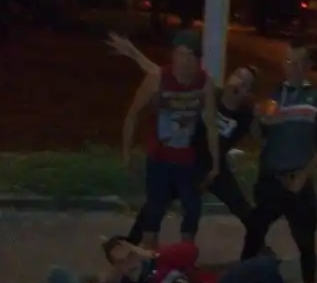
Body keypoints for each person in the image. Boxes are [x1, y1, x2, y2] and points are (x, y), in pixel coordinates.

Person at [108, 34, 259, 238]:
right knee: (156, 205)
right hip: (189, 159)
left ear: (248, 92)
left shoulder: (246, 114)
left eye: (245, 84)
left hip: (212, 164)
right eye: (238, 77)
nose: (238, 84)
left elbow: (258, 135)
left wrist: (263, 119)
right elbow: (162, 74)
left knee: (237, 205)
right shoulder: (211, 92)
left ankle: (260, 246)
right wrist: (133, 53)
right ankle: (132, 243)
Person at [240, 38, 317, 283]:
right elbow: (260, 137)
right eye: (289, 61)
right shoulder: (274, 96)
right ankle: (242, 280)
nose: (292, 68)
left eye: (298, 62)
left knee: (305, 238)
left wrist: (304, 176)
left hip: (298, 181)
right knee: (255, 230)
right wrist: (256, 120)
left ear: (308, 66)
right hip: (271, 178)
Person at [118, 29, 219, 247]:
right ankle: (149, 259)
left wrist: (215, 162)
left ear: (198, 59)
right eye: (180, 54)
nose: (184, 61)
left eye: (190, 55)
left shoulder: (204, 83)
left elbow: (211, 124)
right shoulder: (158, 78)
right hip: (159, 158)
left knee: (193, 209)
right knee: (154, 212)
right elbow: (132, 114)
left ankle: (184, 257)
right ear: (173, 55)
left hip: (187, 159)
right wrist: (126, 152)